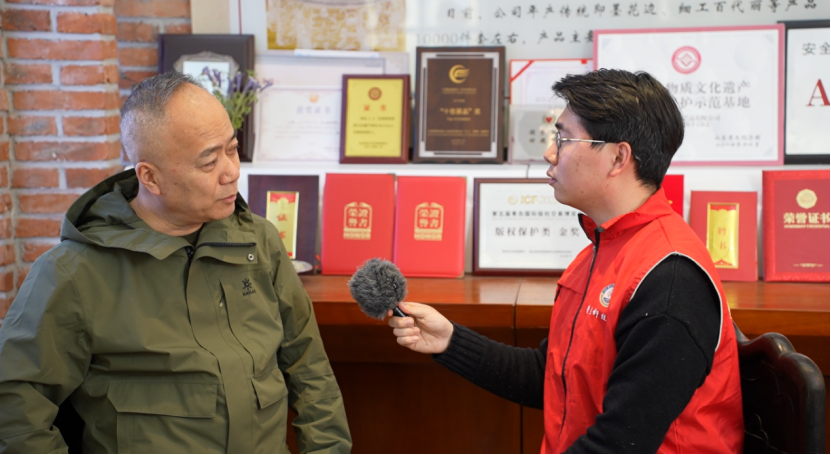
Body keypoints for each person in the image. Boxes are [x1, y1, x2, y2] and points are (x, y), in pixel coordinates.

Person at [387, 69, 743, 453]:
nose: (549, 153)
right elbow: (554, 377)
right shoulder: (603, 248)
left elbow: (618, 444)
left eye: (564, 138)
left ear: (618, 157)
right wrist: (450, 341)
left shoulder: (669, 279)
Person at [0, 72, 351, 453]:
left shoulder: (259, 242)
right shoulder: (74, 272)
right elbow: (16, 407)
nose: (232, 171)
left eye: (232, 149)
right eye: (209, 162)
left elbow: (310, 369)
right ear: (150, 177)